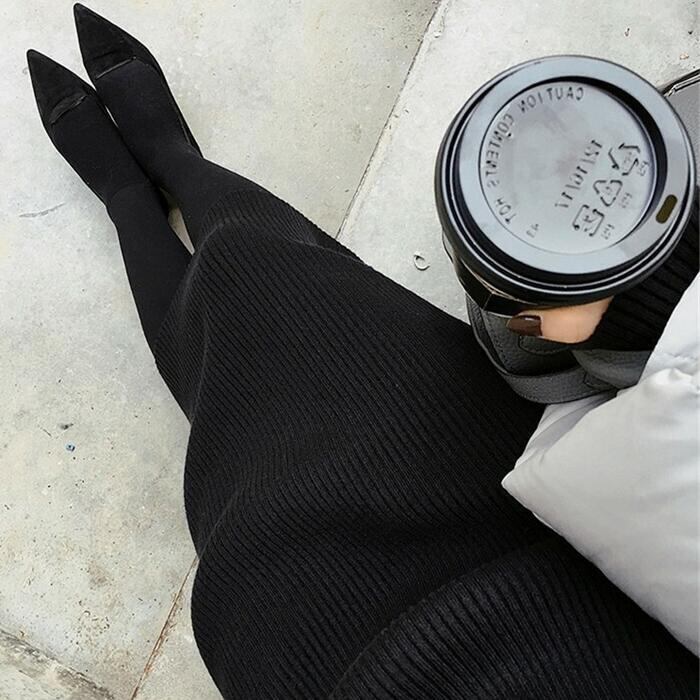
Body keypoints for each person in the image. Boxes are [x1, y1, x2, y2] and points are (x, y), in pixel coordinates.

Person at [27, 5, 698, 699]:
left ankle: (130, 194)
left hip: (313, 649)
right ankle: (174, 160)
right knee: (292, 289)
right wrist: (648, 294)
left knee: (227, 408)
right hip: (536, 554)